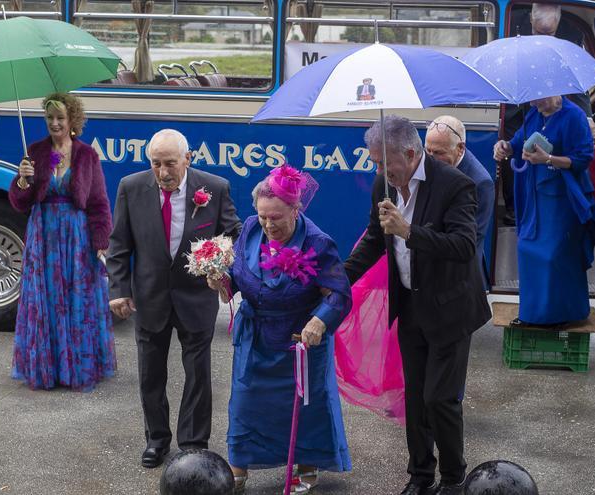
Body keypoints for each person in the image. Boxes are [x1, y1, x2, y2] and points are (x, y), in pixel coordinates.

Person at [345, 115, 491, 495]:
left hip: (451, 307)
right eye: (374, 162)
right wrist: (337, 280)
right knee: (415, 399)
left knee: (439, 398)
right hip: (410, 305)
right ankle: (420, 476)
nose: (378, 170)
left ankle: (454, 476)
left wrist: (408, 231)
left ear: (411, 154)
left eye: (383, 162)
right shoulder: (385, 184)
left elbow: (464, 247)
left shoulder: (457, 185)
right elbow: (375, 240)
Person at [209, 164, 351, 494]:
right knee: (245, 402)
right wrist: (221, 282)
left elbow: (339, 294)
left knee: (304, 406)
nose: (269, 225)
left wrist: (319, 321)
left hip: (299, 338)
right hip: (256, 334)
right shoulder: (249, 229)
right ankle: (238, 468)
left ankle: (305, 463)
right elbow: (240, 280)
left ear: (296, 209)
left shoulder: (317, 242)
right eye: (263, 216)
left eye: (277, 218)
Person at [106, 129, 242, 468]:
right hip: (150, 296)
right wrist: (119, 291)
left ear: (188, 159)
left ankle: (194, 444)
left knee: (198, 373)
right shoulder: (131, 188)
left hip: (197, 297)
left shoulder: (215, 188)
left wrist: (226, 271)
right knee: (151, 373)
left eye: (170, 163)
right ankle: (156, 439)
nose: (164, 172)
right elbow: (119, 244)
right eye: (156, 164)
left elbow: (234, 235)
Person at [8, 92, 116, 391]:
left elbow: (98, 201)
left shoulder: (86, 155)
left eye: (60, 118)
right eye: (49, 118)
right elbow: (20, 202)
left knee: (76, 299)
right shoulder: (36, 152)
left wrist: (100, 239)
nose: (54, 123)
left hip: (76, 236)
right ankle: (48, 369)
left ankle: (75, 369)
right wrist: (22, 179)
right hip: (43, 236)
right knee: (46, 300)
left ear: (72, 120)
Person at [493, 95, 595, 326]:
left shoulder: (574, 116)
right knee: (526, 248)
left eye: (538, 99)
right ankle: (533, 316)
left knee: (554, 255)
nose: (534, 104)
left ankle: (564, 315)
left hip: (562, 199)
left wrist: (549, 158)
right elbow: (518, 142)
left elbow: (583, 159)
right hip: (534, 196)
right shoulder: (534, 113)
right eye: (531, 100)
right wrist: (505, 147)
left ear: (555, 92)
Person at [499, 3, 595, 226]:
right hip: (514, 102)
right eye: (538, 32)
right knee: (515, 149)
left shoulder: (571, 33)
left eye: (550, 34)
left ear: (558, 23)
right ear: (530, 21)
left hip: (549, 104)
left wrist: (588, 116)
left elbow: (575, 77)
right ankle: (514, 208)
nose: (543, 38)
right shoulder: (511, 22)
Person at [425, 115, 495, 289]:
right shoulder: (429, 165)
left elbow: (468, 241)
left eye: (439, 153)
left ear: (460, 148)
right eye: (428, 151)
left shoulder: (480, 183)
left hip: (460, 279)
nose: (431, 159)